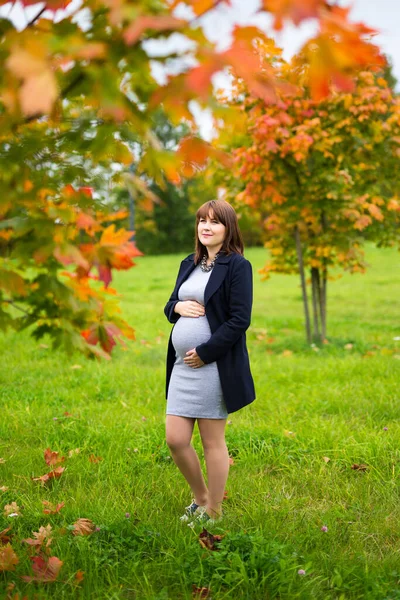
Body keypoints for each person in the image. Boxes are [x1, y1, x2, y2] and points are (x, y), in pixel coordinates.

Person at [164, 199, 256, 525]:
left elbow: (239, 319)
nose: (206, 226)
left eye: (214, 222)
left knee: (212, 441)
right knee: (175, 439)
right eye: (202, 220)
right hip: (180, 366)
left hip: (212, 365)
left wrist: (205, 352)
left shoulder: (237, 266)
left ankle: (213, 511)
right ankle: (200, 498)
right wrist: (177, 308)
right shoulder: (189, 262)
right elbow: (169, 304)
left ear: (227, 228)